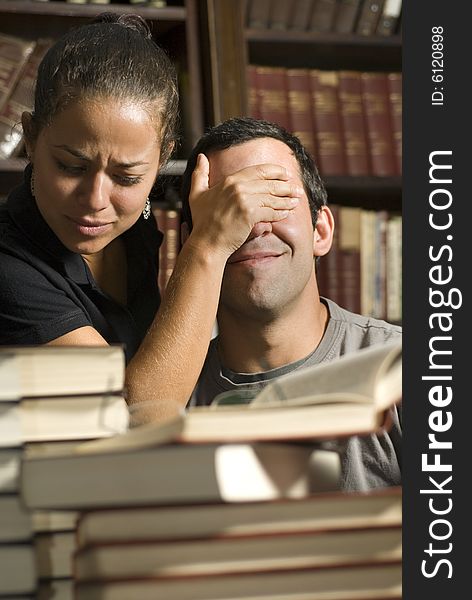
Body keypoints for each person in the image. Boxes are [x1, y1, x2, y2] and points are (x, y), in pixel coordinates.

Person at [0, 16, 300, 415]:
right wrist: (207, 244)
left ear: (162, 158)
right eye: (71, 167)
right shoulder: (8, 264)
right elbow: (134, 414)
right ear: (32, 137)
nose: (95, 199)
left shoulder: (137, 226)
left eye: (126, 176)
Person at [180, 117, 402, 491]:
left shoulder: (409, 368)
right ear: (190, 244)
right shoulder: (171, 395)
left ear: (322, 231)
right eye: (227, 210)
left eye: (275, 200)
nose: (255, 227)